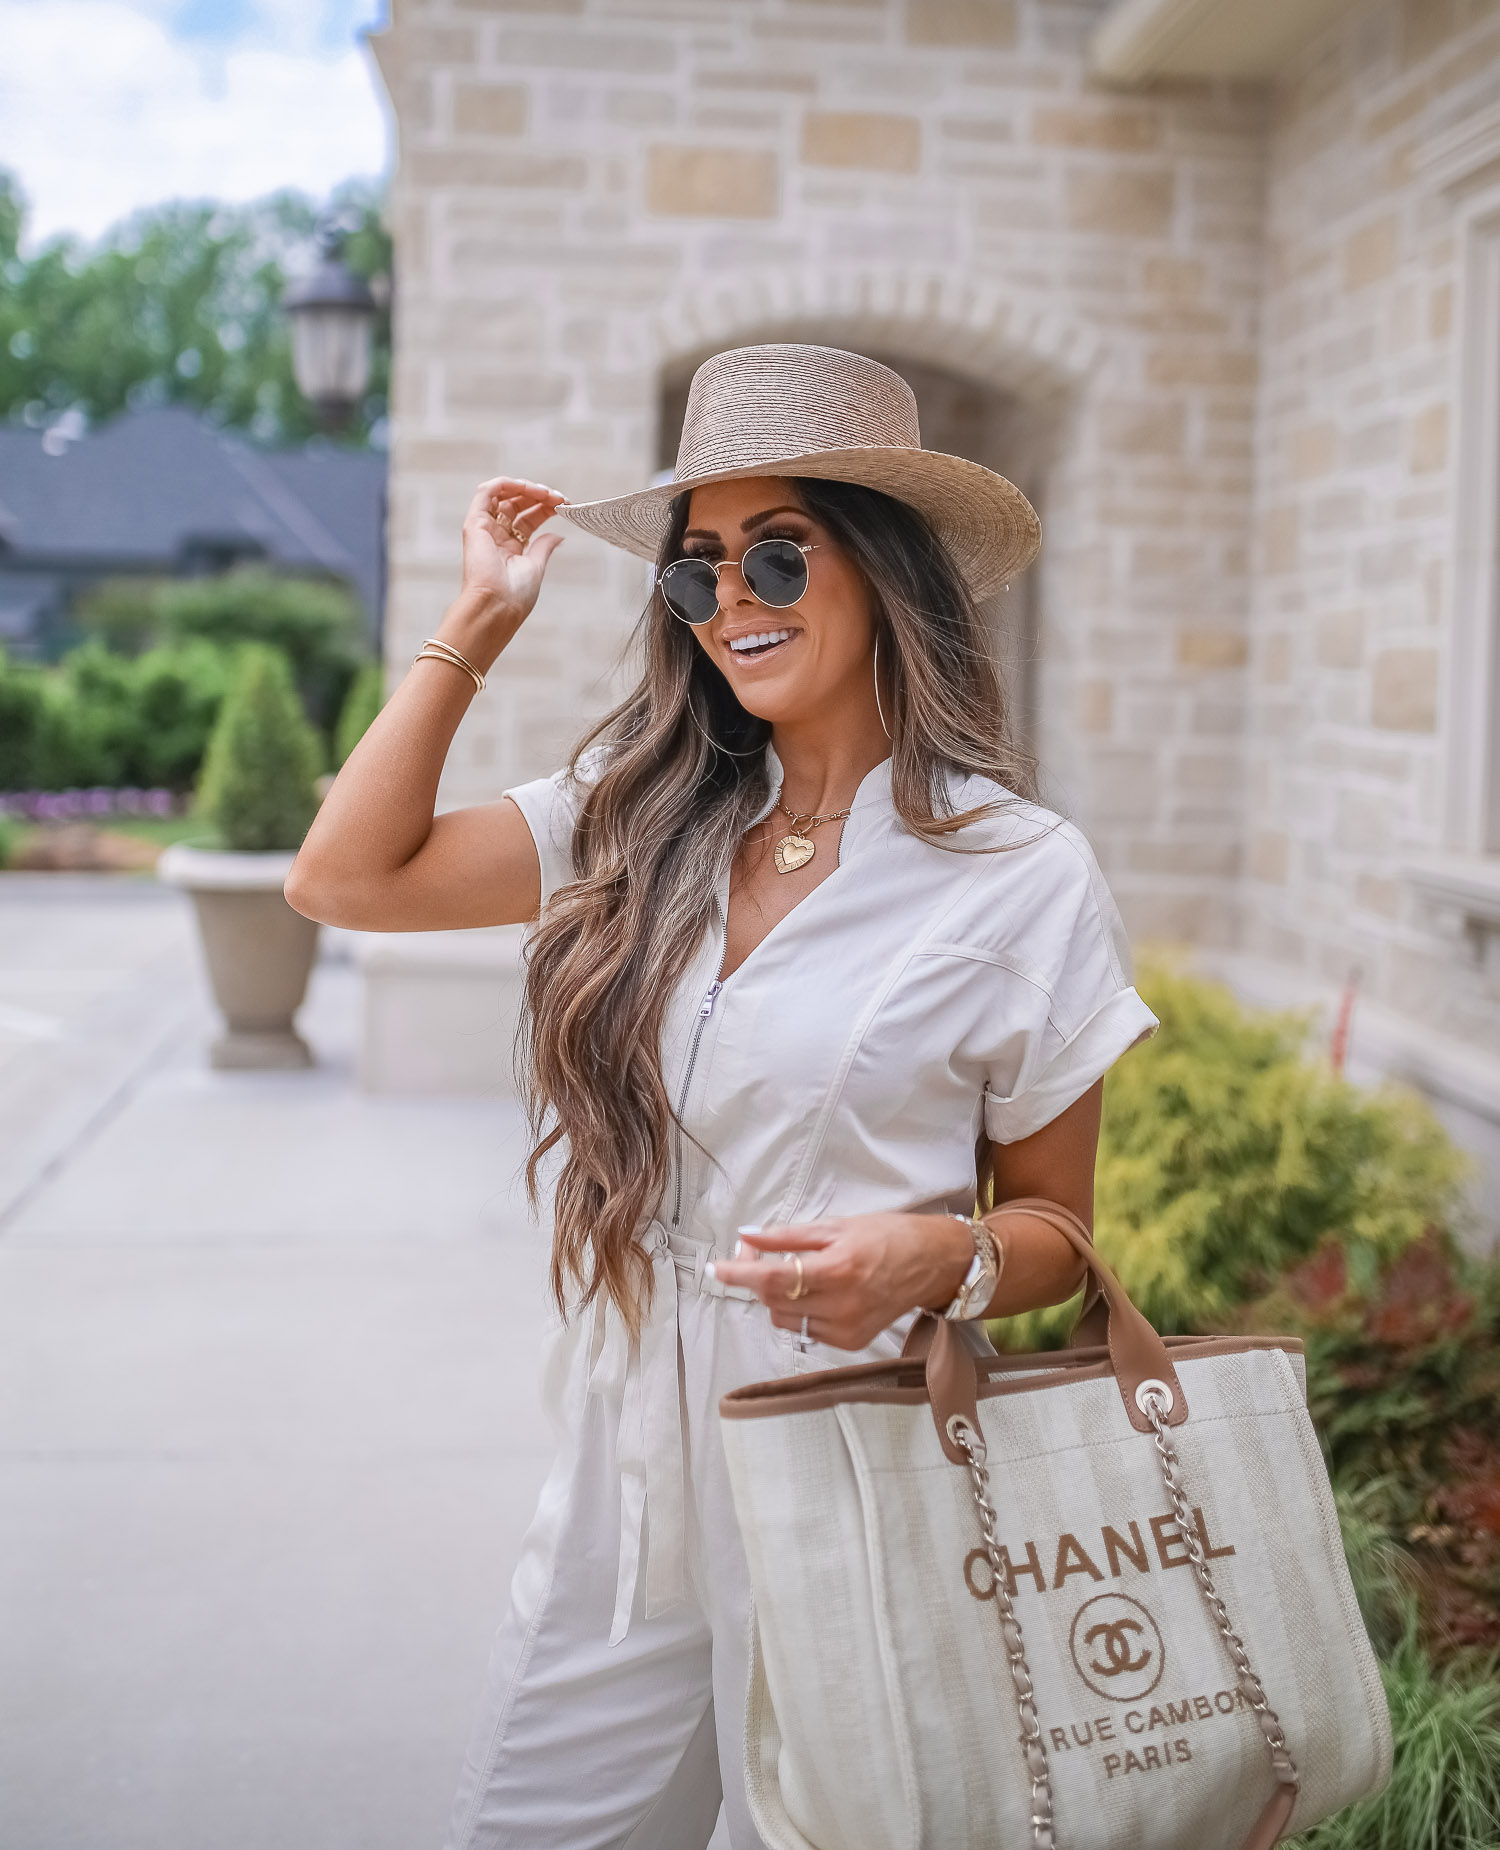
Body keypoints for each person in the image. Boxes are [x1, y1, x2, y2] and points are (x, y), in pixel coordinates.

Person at [286, 341, 1158, 1850]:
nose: (732, 603)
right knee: (533, 1819)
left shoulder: (1020, 873)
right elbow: (342, 874)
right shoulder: (641, 814)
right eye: (696, 577)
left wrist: (932, 1258)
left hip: (861, 1443)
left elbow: (1057, 1230)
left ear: (886, 569)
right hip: (632, 1455)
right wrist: (478, 620)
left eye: (775, 555)